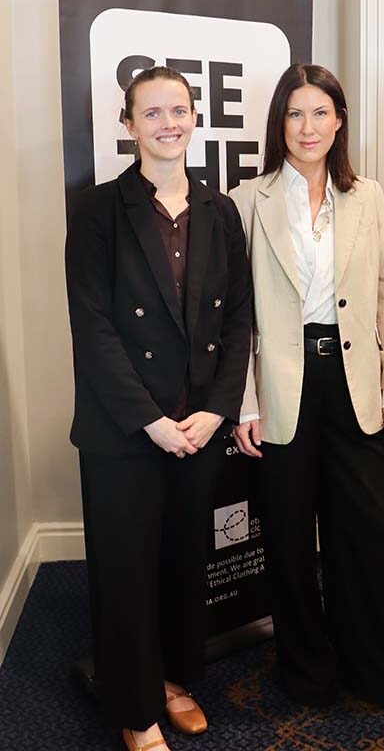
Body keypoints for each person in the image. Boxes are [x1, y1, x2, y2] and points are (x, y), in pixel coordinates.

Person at [65, 66, 252, 751]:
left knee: (180, 566)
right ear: (128, 125)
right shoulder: (97, 210)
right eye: (152, 113)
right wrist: (151, 421)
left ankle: (170, 680)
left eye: (179, 110)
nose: (168, 124)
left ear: (195, 117)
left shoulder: (219, 211)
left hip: (197, 426)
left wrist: (218, 410)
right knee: (126, 573)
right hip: (125, 430)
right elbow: (93, 328)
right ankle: (136, 710)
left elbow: (238, 320)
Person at [230, 63, 384, 712]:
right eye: (295, 113)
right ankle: (307, 672)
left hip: (355, 381)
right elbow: (237, 318)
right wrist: (246, 400)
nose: (307, 127)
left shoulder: (367, 197)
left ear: (339, 121)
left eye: (320, 113)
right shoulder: (246, 201)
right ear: (278, 123)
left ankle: (378, 670)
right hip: (282, 385)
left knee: (367, 533)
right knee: (288, 538)